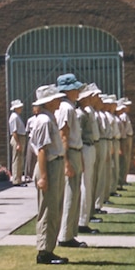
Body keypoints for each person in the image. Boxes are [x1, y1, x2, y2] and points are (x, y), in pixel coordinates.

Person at [30, 84, 69, 265]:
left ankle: (49, 249)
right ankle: (44, 251)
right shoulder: (44, 121)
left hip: (55, 164)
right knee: (48, 209)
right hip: (49, 166)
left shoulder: (49, 118)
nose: (59, 101)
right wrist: (44, 176)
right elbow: (42, 150)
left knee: (54, 208)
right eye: (56, 98)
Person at [55, 73, 87, 249]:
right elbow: (64, 136)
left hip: (75, 151)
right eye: (75, 88)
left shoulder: (69, 107)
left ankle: (69, 233)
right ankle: (65, 236)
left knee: (75, 194)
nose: (78, 91)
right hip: (70, 153)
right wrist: (67, 162)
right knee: (70, 194)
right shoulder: (66, 108)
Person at [77, 83, 102, 234]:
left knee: (89, 184)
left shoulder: (88, 112)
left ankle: (85, 218)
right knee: (85, 185)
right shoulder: (81, 113)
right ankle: (81, 220)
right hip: (85, 148)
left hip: (90, 146)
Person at [8, 99, 27, 186]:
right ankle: (16, 179)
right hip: (17, 138)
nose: (21, 108)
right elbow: (14, 131)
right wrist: (18, 143)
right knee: (17, 159)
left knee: (20, 159)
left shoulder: (16, 116)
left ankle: (19, 178)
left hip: (20, 138)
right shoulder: (14, 117)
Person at [117, 98, 134, 189]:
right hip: (125, 138)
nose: (128, 107)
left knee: (127, 160)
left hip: (127, 137)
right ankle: (121, 179)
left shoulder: (125, 115)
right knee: (124, 160)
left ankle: (124, 179)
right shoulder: (123, 116)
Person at [24, 104, 41, 183]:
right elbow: (27, 130)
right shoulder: (30, 120)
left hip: (39, 139)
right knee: (30, 157)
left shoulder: (42, 119)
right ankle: (28, 175)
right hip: (32, 138)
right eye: (34, 108)